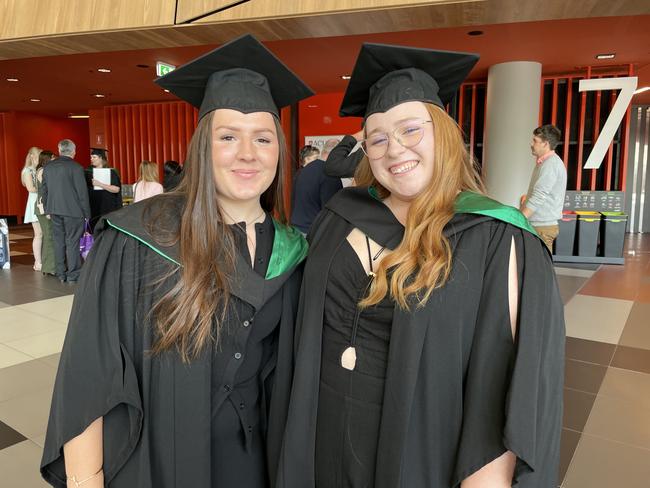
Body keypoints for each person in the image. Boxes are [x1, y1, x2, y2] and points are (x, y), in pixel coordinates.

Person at [276, 43, 565, 488]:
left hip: (422, 457)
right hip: (324, 445)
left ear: (443, 134)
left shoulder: (494, 237)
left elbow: (500, 384)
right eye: (378, 137)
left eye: (411, 130)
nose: (395, 149)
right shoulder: (340, 216)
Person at [41, 34, 314, 488]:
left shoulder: (293, 249)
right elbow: (88, 372)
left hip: (254, 462)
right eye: (228, 136)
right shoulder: (138, 237)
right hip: (155, 461)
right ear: (202, 147)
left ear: (279, 151)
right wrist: (84, 480)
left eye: (263, 138)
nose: (248, 153)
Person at [41, 139, 90, 284]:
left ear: (59, 150)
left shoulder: (48, 167)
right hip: (73, 212)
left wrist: (47, 208)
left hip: (54, 210)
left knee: (58, 241)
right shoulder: (76, 168)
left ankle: (61, 273)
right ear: (74, 151)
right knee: (72, 242)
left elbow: (44, 190)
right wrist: (87, 214)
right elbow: (82, 193)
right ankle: (73, 274)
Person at [520, 124, 567, 252]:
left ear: (545, 144)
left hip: (542, 227)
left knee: (541, 268)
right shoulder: (546, 162)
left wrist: (520, 218)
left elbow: (539, 195)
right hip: (540, 225)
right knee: (538, 266)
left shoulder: (551, 164)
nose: (531, 143)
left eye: (535, 141)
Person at [290, 141, 342, 234]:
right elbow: (332, 211)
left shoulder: (302, 171)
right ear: (337, 153)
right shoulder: (329, 173)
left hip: (296, 230)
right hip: (315, 233)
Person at [86, 148, 122, 231]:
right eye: (91, 157)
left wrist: (100, 184)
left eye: (94, 157)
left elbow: (116, 189)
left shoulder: (111, 172)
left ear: (101, 158)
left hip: (108, 208)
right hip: (94, 209)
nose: (91, 159)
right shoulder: (88, 172)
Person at [21, 146, 43, 270]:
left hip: (41, 202)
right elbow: (30, 188)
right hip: (34, 203)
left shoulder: (38, 169)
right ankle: (37, 262)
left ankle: (42, 260)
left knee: (44, 234)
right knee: (38, 234)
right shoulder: (28, 171)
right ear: (33, 157)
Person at [35, 150, 56, 275]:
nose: (55, 159)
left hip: (42, 207)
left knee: (49, 236)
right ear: (49, 158)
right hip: (44, 208)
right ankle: (49, 268)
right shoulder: (43, 171)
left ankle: (49, 266)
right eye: (53, 157)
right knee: (49, 236)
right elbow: (46, 190)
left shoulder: (41, 170)